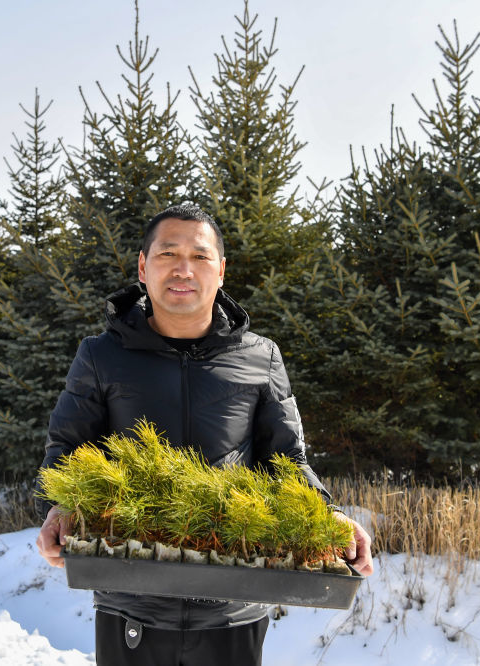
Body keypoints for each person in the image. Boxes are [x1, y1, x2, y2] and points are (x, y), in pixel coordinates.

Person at [35, 203, 373, 665]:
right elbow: (67, 452)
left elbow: (288, 463)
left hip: (233, 611)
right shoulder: (101, 356)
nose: (183, 269)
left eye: (199, 256)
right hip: (131, 605)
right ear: (142, 267)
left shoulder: (261, 358)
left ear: (221, 270)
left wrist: (329, 517)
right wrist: (56, 509)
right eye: (168, 254)